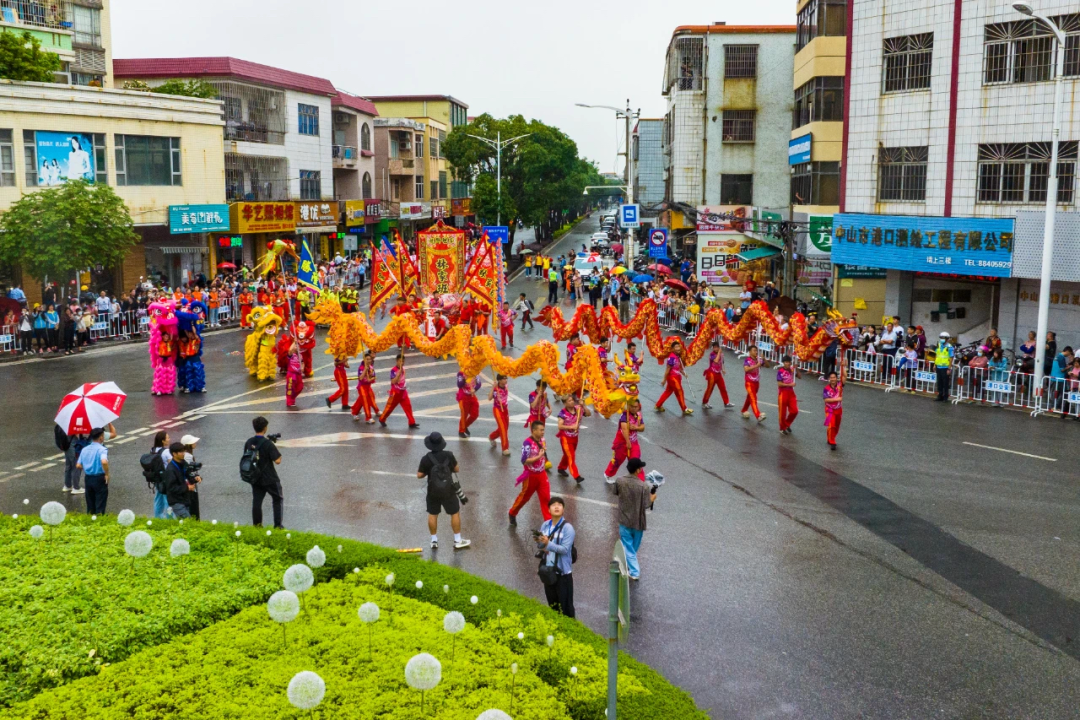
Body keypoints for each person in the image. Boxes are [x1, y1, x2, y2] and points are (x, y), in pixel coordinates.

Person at [417, 432, 471, 550]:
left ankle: (434, 540)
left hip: (432, 491)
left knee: (433, 514)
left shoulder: (426, 458)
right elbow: (457, 469)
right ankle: (457, 539)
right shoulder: (449, 455)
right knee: (454, 513)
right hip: (449, 490)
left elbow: (419, 475)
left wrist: (429, 471)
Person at [615, 458, 656, 581]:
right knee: (632, 548)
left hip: (624, 520)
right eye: (640, 468)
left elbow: (615, 492)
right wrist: (653, 498)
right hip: (638, 522)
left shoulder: (619, 481)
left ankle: (629, 566)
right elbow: (646, 504)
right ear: (637, 470)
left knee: (629, 548)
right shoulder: (644, 487)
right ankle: (634, 572)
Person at [536, 497, 575, 618]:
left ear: (563, 510)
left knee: (566, 608)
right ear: (549, 509)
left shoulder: (568, 528)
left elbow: (564, 549)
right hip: (548, 571)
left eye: (559, 505)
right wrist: (540, 542)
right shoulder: (545, 525)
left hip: (563, 573)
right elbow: (541, 547)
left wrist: (548, 543)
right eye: (553, 505)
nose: (556, 507)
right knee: (553, 606)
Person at [509, 421, 552, 526]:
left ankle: (549, 524)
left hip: (542, 474)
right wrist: (538, 457)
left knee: (546, 498)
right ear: (534, 430)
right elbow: (524, 461)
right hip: (530, 475)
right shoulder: (527, 443)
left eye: (543, 430)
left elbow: (543, 453)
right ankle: (512, 512)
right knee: (524, 498)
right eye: (541, 430)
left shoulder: (543, 440)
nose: (543, 432)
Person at [245, 416, 284, 528]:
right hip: (269, 477)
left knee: (257, 502)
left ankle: (257, 526)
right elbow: (277, 460)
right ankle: (278, 525)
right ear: (265, 428)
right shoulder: (268, 443)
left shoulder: (249, 442)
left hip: (255, 477)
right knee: (277, 499)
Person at [605, 398, 645, 482]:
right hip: (622, 443)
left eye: (636, 407)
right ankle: (608, 474)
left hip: (634, 442)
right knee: (617, 460)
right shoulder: (624, 415)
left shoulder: (638, 415)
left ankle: (640, 480)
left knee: (636, 461)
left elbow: (642, 427)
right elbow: (624, 429)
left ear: (638, 407)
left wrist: (636, 428)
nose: (634, 408)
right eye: (632, 406)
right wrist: (627, 441)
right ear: (628, 406)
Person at [75, 427, 110, 514]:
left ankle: (90, 522)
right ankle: (99, 523)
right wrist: (107, 474)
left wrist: (87, 466)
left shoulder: (84, 449)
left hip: (88, 478)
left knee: (90, 505)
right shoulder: (102, 449)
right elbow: (104, 462)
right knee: (100, 504)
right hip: (99, 478)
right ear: (101, 437)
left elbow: (78, 465)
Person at [379, 353, 419, 428]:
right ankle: (382, 419)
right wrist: (398, 374)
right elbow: (393, 381)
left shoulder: (403, 369)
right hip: (395, 393)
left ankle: (411, 422)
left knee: (408, 406)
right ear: (397, 361)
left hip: (403, 392)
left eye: (403, 361)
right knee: (390, 407)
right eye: (400, 361)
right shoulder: (393, 370)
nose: (402, 363)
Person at [162, 442, 197, 518]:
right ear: (174, 454)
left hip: (184, 499)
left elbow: (188, 474)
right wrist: (187, 488)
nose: (183, 453)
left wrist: (195, 478)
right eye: (181, 452)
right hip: (176, 501)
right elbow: (171, 488)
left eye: (184, 451)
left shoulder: (183, 463)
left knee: (184, 523)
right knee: (188, 522)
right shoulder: (170, 470)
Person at [556, 395, 584, 483]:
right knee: (571, 456)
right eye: (569, 401)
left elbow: (588, 413)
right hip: (565, 438)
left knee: (567, 454)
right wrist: (571, 426)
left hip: (575, 436)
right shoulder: (562, 413)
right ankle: (576, 476)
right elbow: (560, 426)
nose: (572, 402)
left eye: (572, 400)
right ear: (564, 403)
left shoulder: (578, 409)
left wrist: (583, 406)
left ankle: (561, 468)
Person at [656, 345, 691, 414]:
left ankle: (658, 405)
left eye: (679, 347)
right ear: (672, 349)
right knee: (680, 391)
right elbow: (667, 370)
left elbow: (679, 368)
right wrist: (664, 380)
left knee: (668, 391)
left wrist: (684, 374)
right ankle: (684, 409)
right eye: (676, 347)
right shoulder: (671, 358)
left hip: (677, 377)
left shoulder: (678, 356)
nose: (678, 348)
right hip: (673, 378)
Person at [351, 349, 380, 423]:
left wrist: (370, 377)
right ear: (364, 360)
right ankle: (368, 418)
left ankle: (354, 412)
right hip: (362, 387)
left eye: (369, 359)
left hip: (368, 386)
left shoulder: (371, 367)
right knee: (365, 402)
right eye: (367, 359)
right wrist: (365, 371)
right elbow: (360, 378)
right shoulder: (361, 368)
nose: (369, 360)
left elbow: (374, 376)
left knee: (370, 398)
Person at [148, 430, 172, 518]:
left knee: (158, 499)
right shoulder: (166, 452)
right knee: (168, 501)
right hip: (166, 479)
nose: (169, 439)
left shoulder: (153, 450)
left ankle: (158, 517)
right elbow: (171, 464)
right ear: (163, 440)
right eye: (168, 438)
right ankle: (170, 519)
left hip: (157, 478)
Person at [741, 345, 767, 422]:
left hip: (756, 382)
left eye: (756, 350)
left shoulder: (758, 360)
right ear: (750, 352)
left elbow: (767, 366)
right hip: (749, 382)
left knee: (749, 397)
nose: (756, 352)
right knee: (753, 398)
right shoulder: (747, 360)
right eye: (754, 350)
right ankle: (758, 415)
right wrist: (756, 366)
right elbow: (746, 369)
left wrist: (764, 359)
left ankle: (744, 409)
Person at [488, 374, 511, 455]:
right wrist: (493, 387)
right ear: (499, 380)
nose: (506, 380)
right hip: (498, 409)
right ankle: (505, 448)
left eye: (506, 378)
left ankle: (492, 436)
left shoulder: (506, 386)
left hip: (505, 409)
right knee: (503, 428)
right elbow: (489, 398)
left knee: (506, 426)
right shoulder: (496, 389)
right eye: (504, 379)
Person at [776, 355, 799, 434]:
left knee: (794, 411)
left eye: (789, 362)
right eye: (786, 362)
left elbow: (799, 376)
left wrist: (797, 369)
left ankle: (786, 424)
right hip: (783, 393)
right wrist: (790, 385)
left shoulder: (792, 370)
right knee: (782, 412)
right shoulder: (780, 371)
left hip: (791, 393)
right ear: (783, 363)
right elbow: (779, 384)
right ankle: (782, 428)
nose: (788, 364)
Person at [456, 370, 481, 438]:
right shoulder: (461, 373)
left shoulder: (475, 372)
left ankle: (465, 426)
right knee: (464, 414)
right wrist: (464, 379)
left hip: (472, 396)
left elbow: (479, 383)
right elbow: (459, 384)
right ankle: (461, 431)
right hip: (463, 396)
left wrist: (475, 389)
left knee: (475, 414)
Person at [823, 372, 843, 450]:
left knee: (837, 426)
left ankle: (830, 437)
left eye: (834, 377)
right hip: (830, 409)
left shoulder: (840, 386)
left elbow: (844, 376)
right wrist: (836, 399)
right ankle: (832, 442)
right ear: (829, 379)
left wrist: (844, 367)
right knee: (832, 425)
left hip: (838, 409)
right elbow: (826, 399)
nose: (832, 379)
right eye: (831, 378)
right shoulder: (826, 388)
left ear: (836, 378)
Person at [932, 331, 954, 401]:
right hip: (938, 366)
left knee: (945, 383)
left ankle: (945, 397)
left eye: (943, 338)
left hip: (945, 367)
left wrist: (949, 368)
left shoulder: (949, 347)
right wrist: (934, 365)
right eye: (941, 337)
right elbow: (937, 355)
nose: (941, 339)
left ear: (947, 339)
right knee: (939, 382)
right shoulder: (939, 345)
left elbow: (951, 358)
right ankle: (940, 395)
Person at [285, 342, 304, 409]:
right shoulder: (291, 354)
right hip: (291, 374)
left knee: (300, 387)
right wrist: (294, 342)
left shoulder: (300, 355)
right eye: (295, 346)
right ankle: (289, 402)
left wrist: (302, 368)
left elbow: (302, 362)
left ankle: (292, 398)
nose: (297, 347)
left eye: (298, 346)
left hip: (298, 374)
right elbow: (290, 350)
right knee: (290, 388)